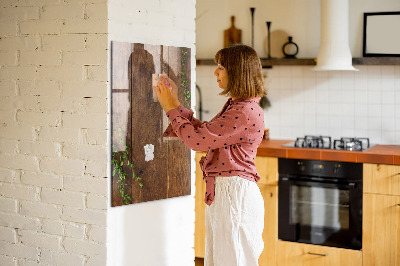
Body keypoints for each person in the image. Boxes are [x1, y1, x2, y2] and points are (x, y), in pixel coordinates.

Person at [153, 44, 266, 266]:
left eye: (221, 67)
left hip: (234, 195)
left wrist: (169, 108)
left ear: (237, 71)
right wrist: (175, 103)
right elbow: (205, 133)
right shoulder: (239, 106)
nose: (215, 72)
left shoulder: (243, 111)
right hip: (228, 194)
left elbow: (197, 141)